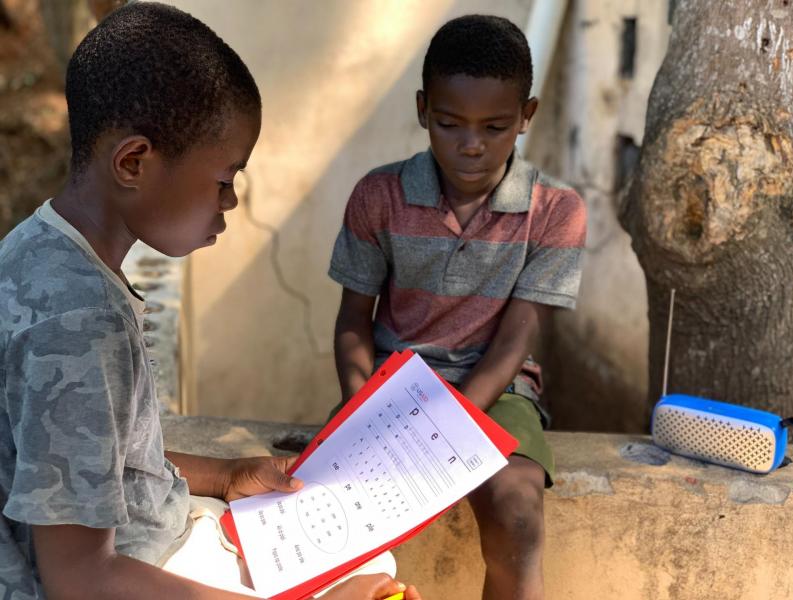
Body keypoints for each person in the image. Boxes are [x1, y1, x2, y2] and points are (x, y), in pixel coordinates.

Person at [0, 4, 420, 599]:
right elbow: (82, 580)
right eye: (224, 179)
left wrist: (225, 476)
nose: (231, 201)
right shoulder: (78, 323)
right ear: (133, 162)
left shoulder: (40, 246)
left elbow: (89, 455)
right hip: (125, 572)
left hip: (151, 539)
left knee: (374, 564)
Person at [329, 14, 587, 600]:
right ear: (423, 109)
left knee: (518, 517)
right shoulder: (379, 195)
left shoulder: (556, 211)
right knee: (325, 510)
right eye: (449, 124)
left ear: (527, 115)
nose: (471, 144)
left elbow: (517, 339)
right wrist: (359, 407)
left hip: (497, 386)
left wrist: (450, 424)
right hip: (392, 386)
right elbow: (353, 321)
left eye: (496, 126)